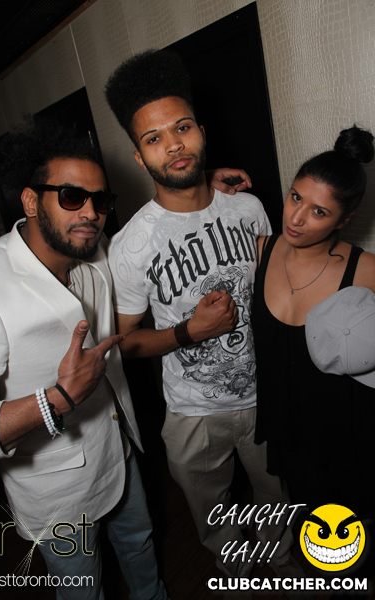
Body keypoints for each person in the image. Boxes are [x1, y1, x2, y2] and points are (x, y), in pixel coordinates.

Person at [105, 49, 300, 584]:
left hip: (264, 396)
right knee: (213, 513)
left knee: (276, 496)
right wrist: (190, 331)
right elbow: (127, 342)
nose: (173, 144)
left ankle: (282, 563)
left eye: (182, 127)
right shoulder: (131, 245)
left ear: (201, 132)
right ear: (139, 157)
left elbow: (275, 289)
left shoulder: (247, 207)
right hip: (192, 412)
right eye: (154, 138)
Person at [0, 121, 168, 600]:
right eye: (71, 196)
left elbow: (140, 239)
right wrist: (57, 399)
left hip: (118, 452)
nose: (90, 213)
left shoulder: (91, 248)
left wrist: (200, 192)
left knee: (141, 548)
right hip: (55, 492)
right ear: (30, 201)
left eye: (100, 201)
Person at [251, 125, 375, 583]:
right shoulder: (262, 250)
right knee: (313, 528)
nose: (297, 218)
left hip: (347, 432)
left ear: (344, 220)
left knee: (352, 539)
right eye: (295, 197)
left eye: (319, 211)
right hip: (289, 428)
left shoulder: (365, 269)